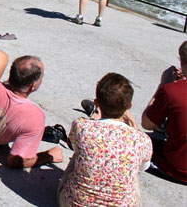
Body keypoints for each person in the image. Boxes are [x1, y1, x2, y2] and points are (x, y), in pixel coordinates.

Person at [58, 73, 152, 206]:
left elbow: (74, 147)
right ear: (129, 106)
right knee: (132, 169)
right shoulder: (142, 140)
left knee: (80, 150)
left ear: (96, 103)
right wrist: (134, 127)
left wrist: (93, 122)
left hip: (74, 203)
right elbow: (142, 167)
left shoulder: (82, 126)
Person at [141, 41, 187, 184]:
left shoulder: (172, 91)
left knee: (132, 139)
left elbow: (147, 123)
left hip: (175, 168)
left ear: (182, 61)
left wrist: (163, 85)